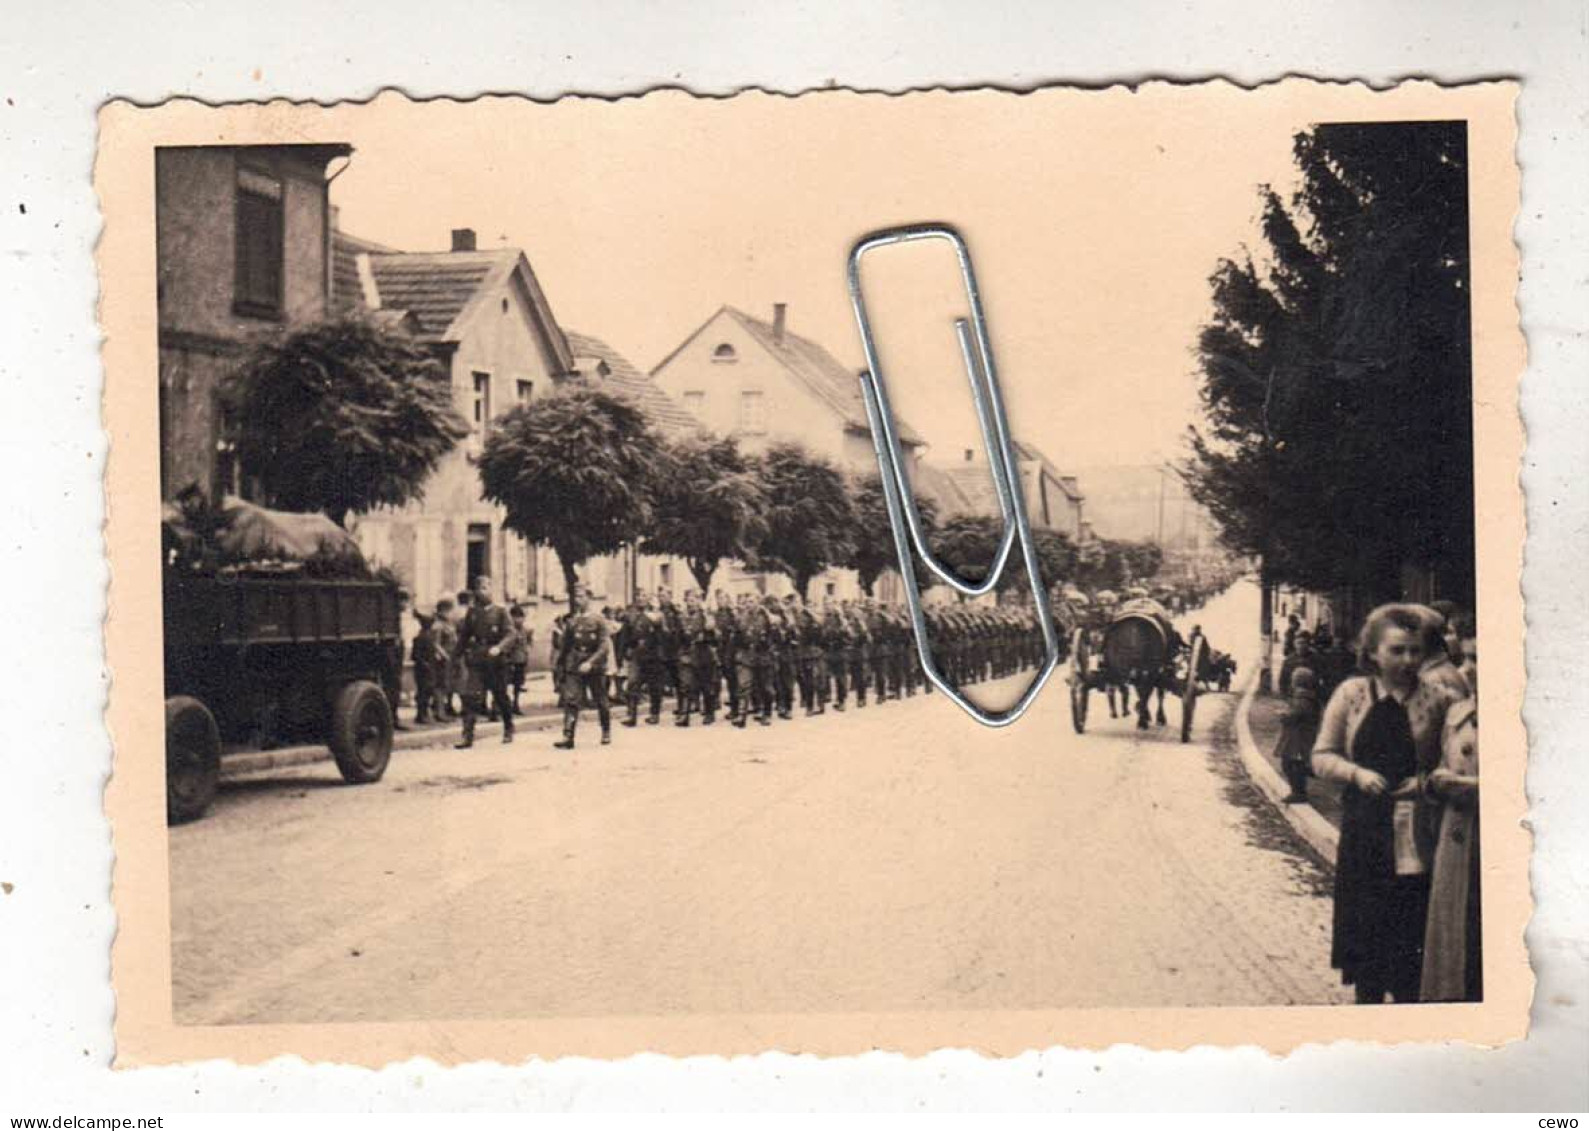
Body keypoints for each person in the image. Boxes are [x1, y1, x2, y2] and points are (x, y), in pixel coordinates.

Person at [1311, 603, 1468, 1003]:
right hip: (1364, 832)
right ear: (1373, 652)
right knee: (1367, 939)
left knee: (1409, 934)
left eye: (1415, 650)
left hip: (1416, 834)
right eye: (1397, 650)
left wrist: (1422, 783)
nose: (1408, 660)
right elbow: (1322, 756)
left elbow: (1453, 764)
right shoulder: (1352, 695)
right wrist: (1357, 774)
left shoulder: (1440, 699)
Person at [1422, 613, 1481, 1002]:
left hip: (1487, 841)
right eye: (1470, 656)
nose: (1470, 669)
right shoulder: (1460, 713)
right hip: (1455, 832)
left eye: (1480, 658)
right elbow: (1439, 759)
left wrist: (1463, 786)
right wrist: (1437, 780)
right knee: (1453, 929)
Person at [455, 575, 515, 748]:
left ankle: (508, 728)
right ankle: (467, 736)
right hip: (478, 660)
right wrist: (456, 656)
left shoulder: (500, 611)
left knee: (500, 696)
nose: (482, 592)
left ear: (491, 589)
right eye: (479, 588)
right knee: (471, 698)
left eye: (485, 588)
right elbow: (464, 636)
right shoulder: (473, 613)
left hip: (496, 661)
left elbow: (511, 634)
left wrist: (500, 647)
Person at [553, 585, 612, 749]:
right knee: (571, 700)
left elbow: (604, 646)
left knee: (600, 699)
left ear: (589, 598)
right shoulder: (573, 621)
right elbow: (566, 646)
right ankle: (568, 736)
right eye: (576, 597)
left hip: (595, 666)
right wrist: (561, 666)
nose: (578, 600)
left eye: (581, 596)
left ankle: (606, 731)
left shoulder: (599, 620)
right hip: (575, 665)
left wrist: (591, 662)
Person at [1278, 667, 1321, 803]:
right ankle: (1300, 787)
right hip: (1302, 736)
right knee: (1295, 763)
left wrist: (1283, 715)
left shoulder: (1302, 698)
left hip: (1298, 738)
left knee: (1291, 764)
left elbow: (1295, 715)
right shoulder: (1308, 697)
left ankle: (1298, 792)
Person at [433, 597, 459, 719]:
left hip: (451, 658)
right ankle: (439, 712)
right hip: (443, 659)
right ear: (443, 610)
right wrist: (445, 656)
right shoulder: (438, 625)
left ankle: (446, 709)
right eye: (450, 610)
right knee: (441, 686)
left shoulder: (449, 624)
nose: (451, 613)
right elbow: (436, 644)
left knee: (448, 685)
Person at [410, 612, 438, 724]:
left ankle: (424, 713)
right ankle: (421, 715)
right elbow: (415, 655)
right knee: (423, 692)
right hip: (423, 670)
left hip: (429, 669)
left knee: (427, 691)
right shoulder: (420, 638)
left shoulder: (427, 637)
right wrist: (425, 664)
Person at [505, 604, 530, 717]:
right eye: (518, 617)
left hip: (521, 661)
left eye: (522, 617)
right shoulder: (508, 630)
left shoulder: (524, 630)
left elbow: (526, 644)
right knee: (504, 685)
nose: (520, 620)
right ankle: (501, 708)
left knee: (518, 684)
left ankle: (515, 704)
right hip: (510, 661)